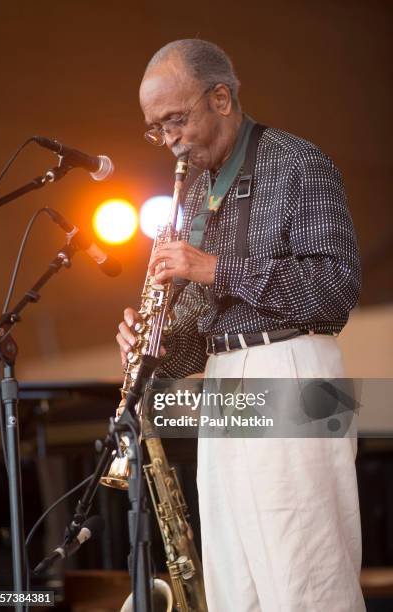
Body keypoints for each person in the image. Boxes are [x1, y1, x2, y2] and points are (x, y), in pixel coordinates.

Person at [117, 39, 365, 612]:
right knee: (236, 579)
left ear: (222, 98)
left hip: (294, 366)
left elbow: (334, 291)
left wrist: (213, 268)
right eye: (156, 129)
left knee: (303, 571)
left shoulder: (298, 163)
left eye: (175, 120)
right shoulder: (196, 192)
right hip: (223, 379)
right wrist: (151, 344)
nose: (169, 141)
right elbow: (191, 346)